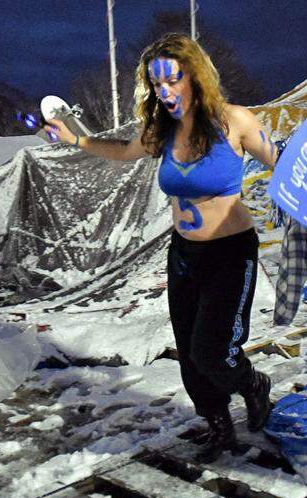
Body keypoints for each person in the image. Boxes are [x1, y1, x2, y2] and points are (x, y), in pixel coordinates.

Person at [46, 33, 278, 463]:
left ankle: (253, 386)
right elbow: (121, 152)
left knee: (214, 351)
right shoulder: (162, 130)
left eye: (173, 80)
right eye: (157, 85)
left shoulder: (236, 122)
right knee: (191, 355)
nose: (165, 92)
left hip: (231, 252)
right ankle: (220, 426)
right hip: (185, 255)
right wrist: (75, 139)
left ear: (196, 76)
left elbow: (282, 164)